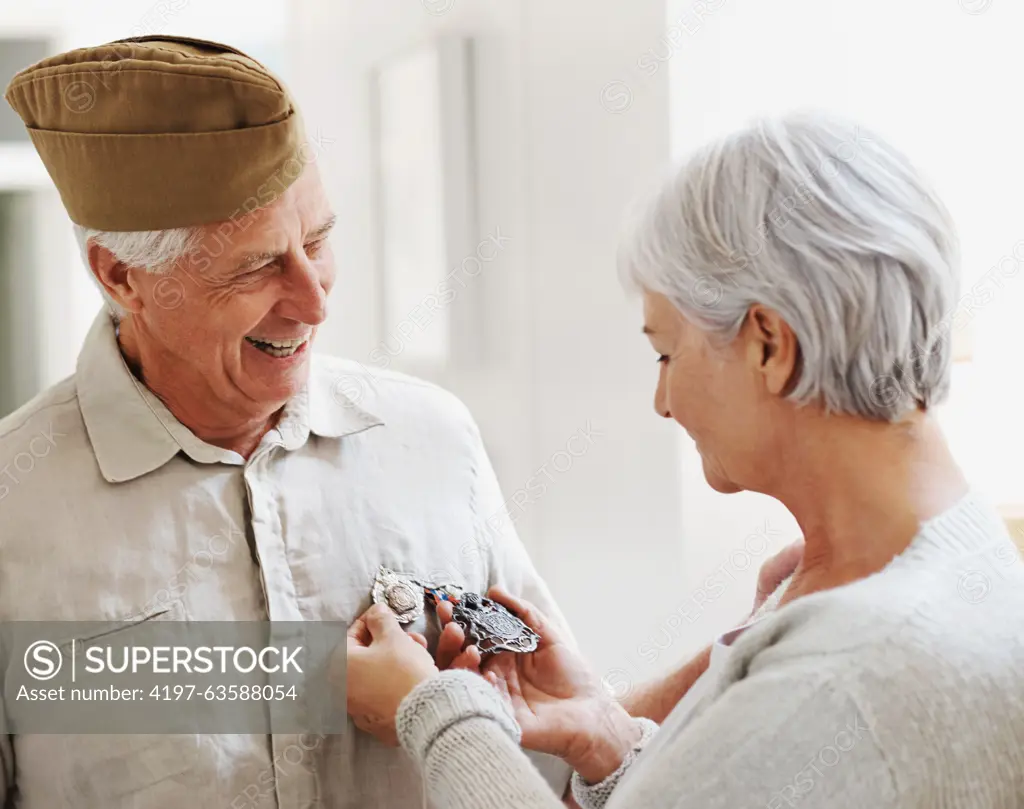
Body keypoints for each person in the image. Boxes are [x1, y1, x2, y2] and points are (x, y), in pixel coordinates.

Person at [344, 111, 1024, 808]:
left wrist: (435, 709)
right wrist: (612, 737)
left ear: (768, 343)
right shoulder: (960, 559)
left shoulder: (838, 672)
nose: (662, 400)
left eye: (666, 352)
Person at [0, 35, 580, 808]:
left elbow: (560, 757)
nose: (315, 300)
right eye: (257, 264)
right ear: (121, 275)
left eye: (317, 241)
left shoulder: (434, 440)